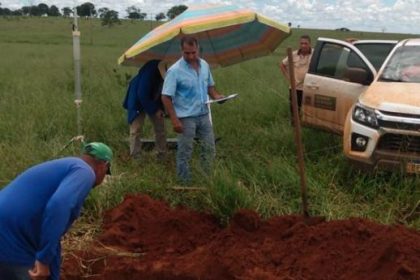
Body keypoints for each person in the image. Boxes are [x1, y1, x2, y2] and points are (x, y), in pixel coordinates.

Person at [0, 142, 113, 280]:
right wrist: (43, 259)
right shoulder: (84, 171)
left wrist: (49, 259)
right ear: (103, 166)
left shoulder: (66, 166)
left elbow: (52, 225)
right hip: (12, 238)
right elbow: (59, 204)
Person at [162, 36, 224, 183]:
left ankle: (206, 179)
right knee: (185, 151)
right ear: (181, 50)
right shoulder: (174, 70)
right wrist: (175, 120)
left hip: (204, 114)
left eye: (193, 52)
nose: (190, 56)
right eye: (187, 53)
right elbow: (165, 97)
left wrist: (218, 97)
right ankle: (184, 182)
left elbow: (210, 87)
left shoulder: (204, 65)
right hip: (186, 117)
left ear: (198, 49)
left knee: (209, 149)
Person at [123, 59, 167, 160]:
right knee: (136, 128)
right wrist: (155, 110)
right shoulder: (149, 72)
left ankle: (162, 153)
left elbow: (164, 92)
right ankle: (135, 155)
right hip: (137, 99)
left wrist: (161, 109)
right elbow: (142, 94)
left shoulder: (168, 71)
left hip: (154, 99)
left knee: (160, 127)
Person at [279, 35, 313, 119]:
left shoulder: (315, 54)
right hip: (295, 87)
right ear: (299, 44)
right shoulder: (293, 54)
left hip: (310, 87)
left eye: (306, 43)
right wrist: (289, 79)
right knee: (294, 110)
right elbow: (282, 65)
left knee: (308, 110)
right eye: (301, 43)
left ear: (309, 44)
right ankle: (294, 126)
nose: (303, 45)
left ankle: (305, 125)